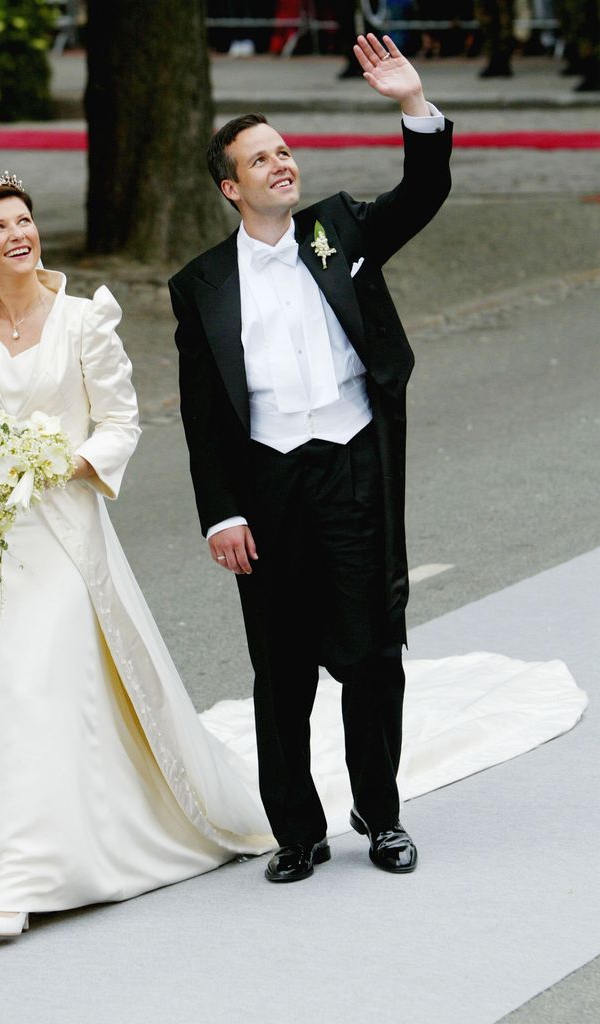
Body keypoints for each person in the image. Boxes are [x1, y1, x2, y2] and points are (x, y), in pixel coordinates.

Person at [0, 167, 279, 939]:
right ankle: (8, 865)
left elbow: (120, 424)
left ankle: (30, 873)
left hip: (63, 532)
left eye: (24, 221)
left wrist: (55, 464)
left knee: (37, 686)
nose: (18, 236)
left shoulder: (85, 319)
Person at [170, 34, 452, 883]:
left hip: (353, 464)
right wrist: (221, 511)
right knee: (280, 669)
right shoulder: (202, 283)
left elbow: (424, 191)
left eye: (284, 151)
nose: (280, 165)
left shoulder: (339, 229)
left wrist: (412, 105)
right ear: (231, 187)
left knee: (371, 656)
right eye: (260, 159)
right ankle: (297, 831)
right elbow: (202, 414)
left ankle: (381, 812)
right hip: (267, 480)